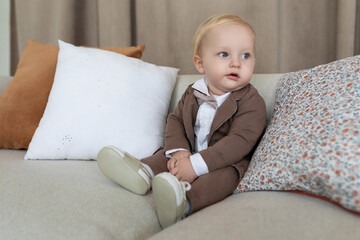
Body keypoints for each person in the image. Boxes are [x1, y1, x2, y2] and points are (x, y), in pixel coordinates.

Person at [96, 13, 267, 229]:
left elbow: (239, 142)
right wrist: (179, 151)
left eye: (246, 56)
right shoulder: (193, 92)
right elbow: (176, 120)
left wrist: (195, 166)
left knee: (223, 179)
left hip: (223, 161)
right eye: (224, 54)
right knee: (164, 156)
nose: (236, 63)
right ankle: (143, 173)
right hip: (189, 150)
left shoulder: (252, 102)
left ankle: (183, 202)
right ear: (200, 63)